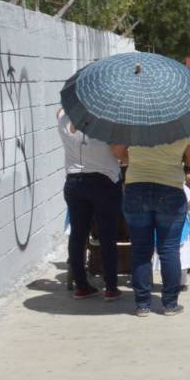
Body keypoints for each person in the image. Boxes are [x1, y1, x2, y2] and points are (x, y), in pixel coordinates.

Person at [111, 134, 190, 316]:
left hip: (136, 187)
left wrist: (136, 159)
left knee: (140, 249)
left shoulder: (133, 119)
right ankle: (169, 304)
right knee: (169, 248)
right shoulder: (184, 125)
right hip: (170, 189)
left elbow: (116, 150)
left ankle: (143, 304)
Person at [58, 108, 125, 301]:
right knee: (107, 235)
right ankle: (111, 286)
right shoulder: (109, 120)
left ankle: (81, 285)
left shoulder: (63, 119)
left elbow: (60, 110)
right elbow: (120, 153)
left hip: (74, 181)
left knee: (78, 235)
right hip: (104, 181)